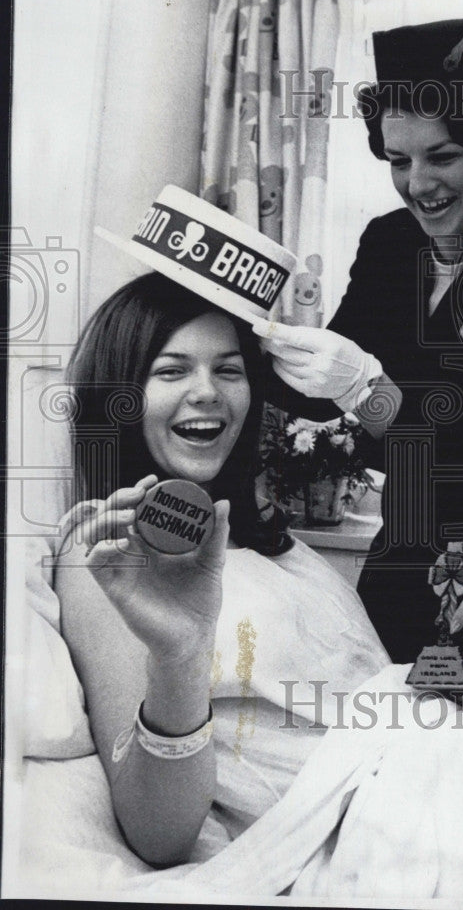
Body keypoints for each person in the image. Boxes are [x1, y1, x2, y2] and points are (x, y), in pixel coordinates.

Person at [260, 18, 463, 681]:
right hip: (398, 569)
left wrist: (366, 391)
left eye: (441, 156)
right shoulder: (389, 244)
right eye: (397, 160)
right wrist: (274, 340)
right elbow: (321, 398)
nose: (417, 184)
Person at [54, 271, 390, 867]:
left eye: (228, 370)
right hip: (355, 834)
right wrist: (180, 655)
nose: (208, 391)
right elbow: (159, 834)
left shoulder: (272, 542)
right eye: (171, 370)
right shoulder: (108, 557)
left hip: (422, 774)